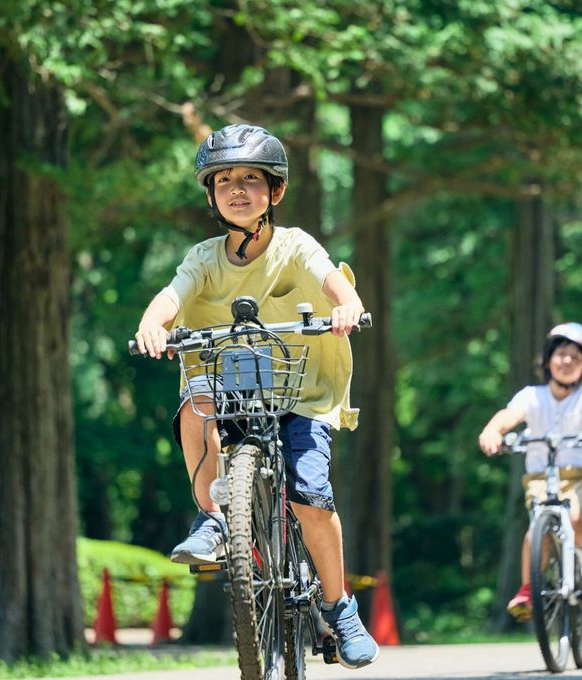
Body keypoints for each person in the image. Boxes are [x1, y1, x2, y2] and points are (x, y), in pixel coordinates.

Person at [134, 123, 378, 668]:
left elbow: (333, 281)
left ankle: (339, 608)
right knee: (195, 402)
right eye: (224, 181)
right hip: (233, 392)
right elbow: (169, 298)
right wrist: (153, 325)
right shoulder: (203, 258)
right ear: (211, 195)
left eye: (250, 178)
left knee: (310, 495)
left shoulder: (295, 246)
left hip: (300, 390)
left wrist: (345, 304)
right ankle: (215, 518)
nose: (237, 189)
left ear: (276, 191)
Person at [477, 322, 582, 620]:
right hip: (541, 477)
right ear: (546, 359)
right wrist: (492, 431)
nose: (567, 361)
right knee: (536, 532)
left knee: (580, 519)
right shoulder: (532, 396)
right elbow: (508, 416)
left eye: (575, 357)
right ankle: (531, 588)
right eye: (560, 355)